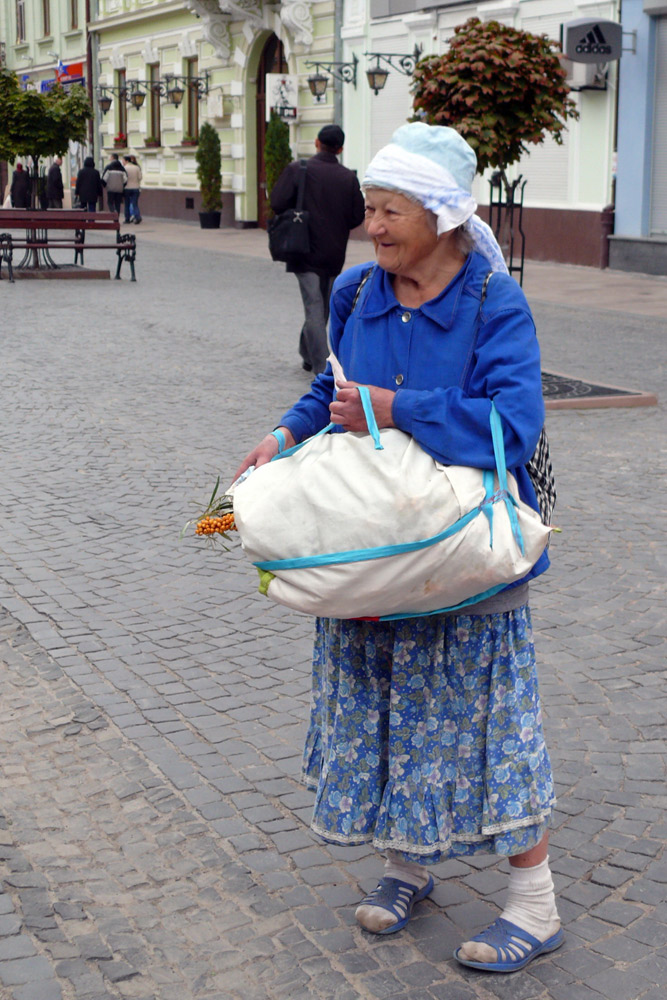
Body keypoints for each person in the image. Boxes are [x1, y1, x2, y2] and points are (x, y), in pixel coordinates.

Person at [235, 122, 562, 975]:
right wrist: (284, 433)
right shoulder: (356, 293)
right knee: (381, 709)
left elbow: (513, 426)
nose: (370, 225)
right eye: (369, 208)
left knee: (486, 727)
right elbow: (331, 387)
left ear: (442, 215)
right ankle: (406, 864)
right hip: (371, 550)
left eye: (388, 211)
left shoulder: (493, 303)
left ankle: (535, 905)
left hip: (461, 555)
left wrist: (394, 407)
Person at [270, 124, 365, 376]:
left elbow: (277, 202)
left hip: (303, 248)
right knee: (322, 307)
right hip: (334, 251)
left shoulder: (298, 169)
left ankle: (321, 367)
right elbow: (357, 216)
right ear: (340, 149)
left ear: (316, 143)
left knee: (315, 307)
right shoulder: (348, 177)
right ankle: (307, 354)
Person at [122, 155, 142, 224]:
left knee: (127, 204)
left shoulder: (124, 168)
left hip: (127, 188)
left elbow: (123, 179)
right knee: (135, 204)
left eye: (123, 161)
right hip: (136, 187)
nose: (122, 162)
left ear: (126, 161)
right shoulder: (137, 167)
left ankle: (127, 219)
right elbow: (140, 177)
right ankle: (137, 217)